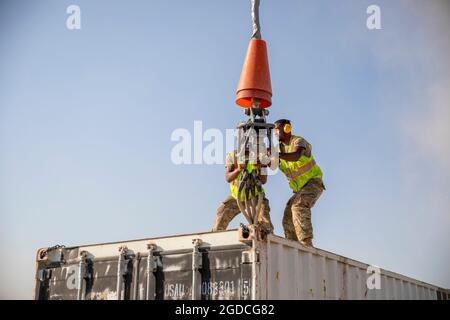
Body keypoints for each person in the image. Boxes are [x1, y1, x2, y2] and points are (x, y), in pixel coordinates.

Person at [273, 119, 325, 247]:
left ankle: (306, 244)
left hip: (313, 183)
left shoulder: (298, 141)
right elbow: (272, 166)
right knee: (288, 216)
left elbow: (296, 156)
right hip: (299, 190)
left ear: (286, 128)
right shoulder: (278, 149)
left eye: (277, 129)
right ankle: (294, 247)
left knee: (298, 206)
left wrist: (276, 155)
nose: (274, 133)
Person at [212, 149, 274, 233]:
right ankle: (216, 240)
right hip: (236, 197)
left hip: (256, 197)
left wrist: (261, 166)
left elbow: (263, 181)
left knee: (265, 226)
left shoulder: (261, 156)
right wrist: (239, 169)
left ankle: (267, 241)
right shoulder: (233, 156)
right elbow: (228, 178)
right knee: (221, 214)